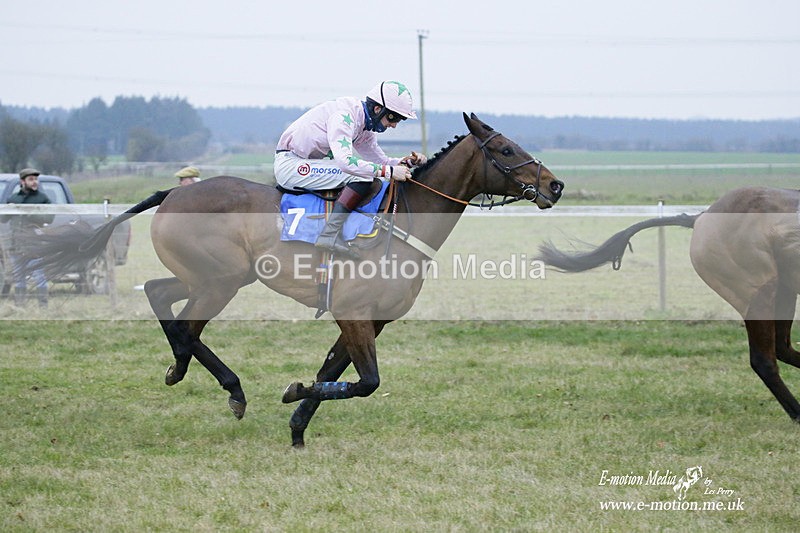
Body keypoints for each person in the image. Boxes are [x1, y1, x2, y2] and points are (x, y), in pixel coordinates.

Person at [274, 80, 428, 257]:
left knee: (366, 174)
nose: (394, 125)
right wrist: (390, 172)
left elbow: (381, 161)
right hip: (291, 166)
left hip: (308, 164)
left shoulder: (364, 127)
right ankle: (329, 235)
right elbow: (345, 162)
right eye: (393, 118)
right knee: (361, 177)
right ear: (378, 109)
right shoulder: (344, 116)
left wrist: (406, 162)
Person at [1, 168, 54, 307]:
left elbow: (50, 218)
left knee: (39, 276)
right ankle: (19, 306)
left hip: (34, 244)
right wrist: (9, 209)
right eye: (31, 179)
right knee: (19, 277)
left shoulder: (43, 199)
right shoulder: (13, 199)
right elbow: (3, 219)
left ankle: (43, 306)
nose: (34, 182)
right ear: (22, 181)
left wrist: (30, 213)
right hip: (16, 244)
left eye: (36, 179)